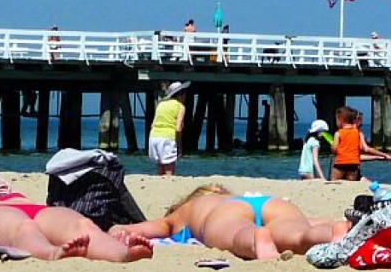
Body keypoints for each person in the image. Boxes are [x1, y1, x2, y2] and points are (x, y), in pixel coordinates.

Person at [0, 171, 153, 262]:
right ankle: (51, 252)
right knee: (22, 228)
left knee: (82, 225)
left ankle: (122, 253)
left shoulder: (14, 196)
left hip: (36, 210)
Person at [108, 183, 349, 260]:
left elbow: (131, 228)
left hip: (224, 215)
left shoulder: (180, 214)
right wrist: (326, 223)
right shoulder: (233, 197)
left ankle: (256, 239)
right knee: (298, 234)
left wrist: (118, 230)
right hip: (269, 202)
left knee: (238, 233)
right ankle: (332, 234)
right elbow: (308, 219)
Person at [331, 106, 391, 181]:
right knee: (352, 184)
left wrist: (333, 148)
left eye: (337, 120)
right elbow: (366, 149)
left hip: (340, 162)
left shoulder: (338, 133)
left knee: (334, 181)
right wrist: (383, 155)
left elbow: (334, 149)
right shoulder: (358, 133)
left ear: (341, 119)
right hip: (353, 164)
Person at [148, 81, 190, 176]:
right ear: (181, 95)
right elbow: (178, 128)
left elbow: (152, 125)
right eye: (184, 94)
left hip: (153, 137)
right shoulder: (181, 107)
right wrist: (179, 147)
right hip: (167, 138)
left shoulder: (161, 104)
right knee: (169, 169)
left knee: (160, 166)